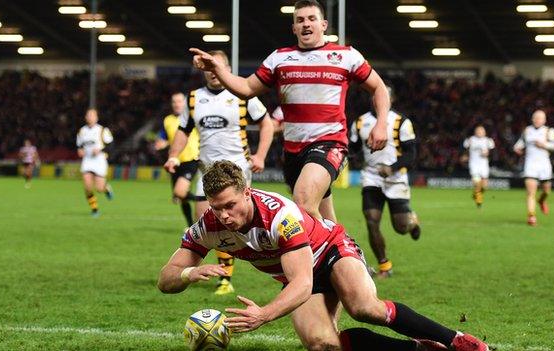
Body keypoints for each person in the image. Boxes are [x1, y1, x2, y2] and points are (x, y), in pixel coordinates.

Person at [157, 161, 489, 351]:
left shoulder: (279, 216)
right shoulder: (209, 227)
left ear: (247, 192)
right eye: (217, 208)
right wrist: (188, 274)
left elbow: (301, 283)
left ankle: (458, 341)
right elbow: (165, 279)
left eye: (231, 205)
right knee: (322, 344)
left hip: (330, 249)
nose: (224, 215)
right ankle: (419, 350)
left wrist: (264, 315)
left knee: (363, 308)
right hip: (300, 272)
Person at [188, 0, 390, 223]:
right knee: (326, 219)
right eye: (300, 20)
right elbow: (245, 89)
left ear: (323, 25)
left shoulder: (346, 56)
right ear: (294, 28)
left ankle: (314, 255)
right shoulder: (279, 59)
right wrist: (217, 68)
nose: (306, 24)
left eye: (311, 19)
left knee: (302, 202)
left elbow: (378, 87)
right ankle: (346, 252)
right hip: (293, 151)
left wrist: (381, 123)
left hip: (328, 142)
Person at [164, 50, 274, 295]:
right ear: (204, 70)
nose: (213, 73)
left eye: (218, 67)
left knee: (234, 222)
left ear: (226, 68)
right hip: (207, 171)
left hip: (237, 171)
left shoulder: (243, 93)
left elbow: (267, 123)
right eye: (209, 68)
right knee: (205, 223)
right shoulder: (194, 98)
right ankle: (216, 274)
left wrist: (261, 155)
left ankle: (229, 276)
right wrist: (173, 155)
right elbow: (183, 130)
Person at [350, 94, 421, 279]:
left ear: (391, 99)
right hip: (371, 177)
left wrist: (392, 168)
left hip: (396, 178)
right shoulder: (360, 122)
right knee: (371, 220)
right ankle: (384, 266)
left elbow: (411, 153)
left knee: (401, 227)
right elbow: (353, 148)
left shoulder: (401, 121)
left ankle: (412, 222)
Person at [155, 92, 200, 227]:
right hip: (174, 161)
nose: (177, 104)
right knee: (180, 197)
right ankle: (190, 225)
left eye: (179, 101)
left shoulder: (193, 116)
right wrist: (162, 143)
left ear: (185, 102)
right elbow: (164, 138)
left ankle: (203, 199)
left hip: (191, 159)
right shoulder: (167, 120)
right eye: (174, 102)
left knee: (179, 192)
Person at [513, 110, 554, 226]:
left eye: (540, 118)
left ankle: (542, 200)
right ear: (532, 119)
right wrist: (517, 148)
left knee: (546, 191)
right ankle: (531, 216)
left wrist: (544, 145)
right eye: (536, 117)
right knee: (530, 192)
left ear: (544, 120)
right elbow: (519, 144)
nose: (537, 119)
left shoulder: (549, 131)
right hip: (530, 165)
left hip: (544, 165)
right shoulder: (527, 131)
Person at [76, 108, 114, 217]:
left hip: (99, 161)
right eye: (88, 115)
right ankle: (95, 209)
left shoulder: (103, 130)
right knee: (87, 186)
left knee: (99, 188)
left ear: (96, 118)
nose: (90, 117)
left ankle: (106, 188)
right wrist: (80, 150)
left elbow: (112, 146)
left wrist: (100, 150)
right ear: (85, 117)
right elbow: (79, 145)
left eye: (92, 115)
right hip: (87, 160)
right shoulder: (81, 131)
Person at [463, 125, 495, 208]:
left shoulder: (488, 141)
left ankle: (475, 194)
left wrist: (487, 154)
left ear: (485, 132)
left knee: (484, 186)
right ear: (475, 132)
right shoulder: (470, 140)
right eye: (478, 130)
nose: (480, 132)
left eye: (481, 131)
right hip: (474, 165)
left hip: (484, 165)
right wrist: (465, 156)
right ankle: (479, 202)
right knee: (477, 184)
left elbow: (493, 153)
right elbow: (465, 150)